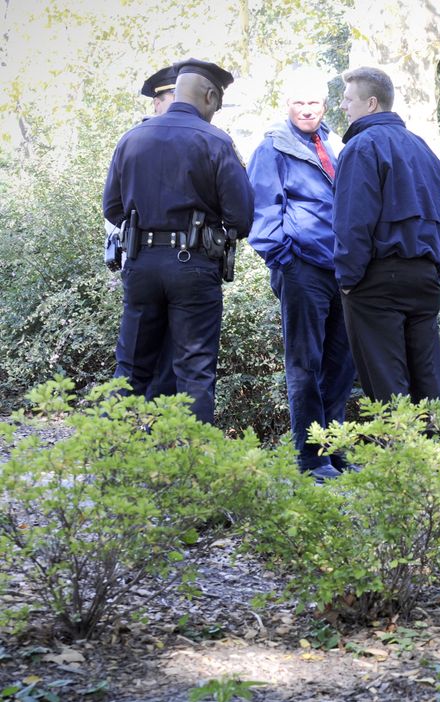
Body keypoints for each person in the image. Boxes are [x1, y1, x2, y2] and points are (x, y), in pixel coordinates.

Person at [103, 58, 253, 425]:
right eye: (217, 104)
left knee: (132, 366)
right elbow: (242, 218)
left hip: (140, 264)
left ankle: (108, 460)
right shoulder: (215, 141)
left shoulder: (132, 138)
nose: (215, 112)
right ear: (209, 95)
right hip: (194, 266)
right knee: (194, 371)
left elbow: (112, 206)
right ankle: (189, 467)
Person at [247, 70, 355, 480]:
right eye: (299, 103)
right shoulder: (272, 149)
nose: (307, 110)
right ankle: (311, 458)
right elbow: (262, 211)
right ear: (286, 105)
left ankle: (336, 451)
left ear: (325, 105)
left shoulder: (337, 144)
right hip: (301, 268)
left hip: (342, 271)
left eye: (313, 103)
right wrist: (285, 261)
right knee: (305, 365)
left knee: (341, 364)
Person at [333, 66, 440, 404]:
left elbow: (353, 222)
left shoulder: (360, 147)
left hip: (376, 280)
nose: (343, 107)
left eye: (347, 99)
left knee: (387, 387)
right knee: (428, 382)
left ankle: (401, 457)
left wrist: (348, 279)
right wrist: (434, 268)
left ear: (371, 104)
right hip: (424, 278)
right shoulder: (422, 149)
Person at [105, 63, 181, 399]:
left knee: (160, 364)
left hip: (151, 260)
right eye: (171, 97)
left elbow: (113, 206)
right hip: (155, 260)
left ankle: (148, 445)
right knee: (141, 362)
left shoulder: (132, 140)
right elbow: (112, 206)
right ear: (159, 101)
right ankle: (115, 443)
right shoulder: (133, 141)